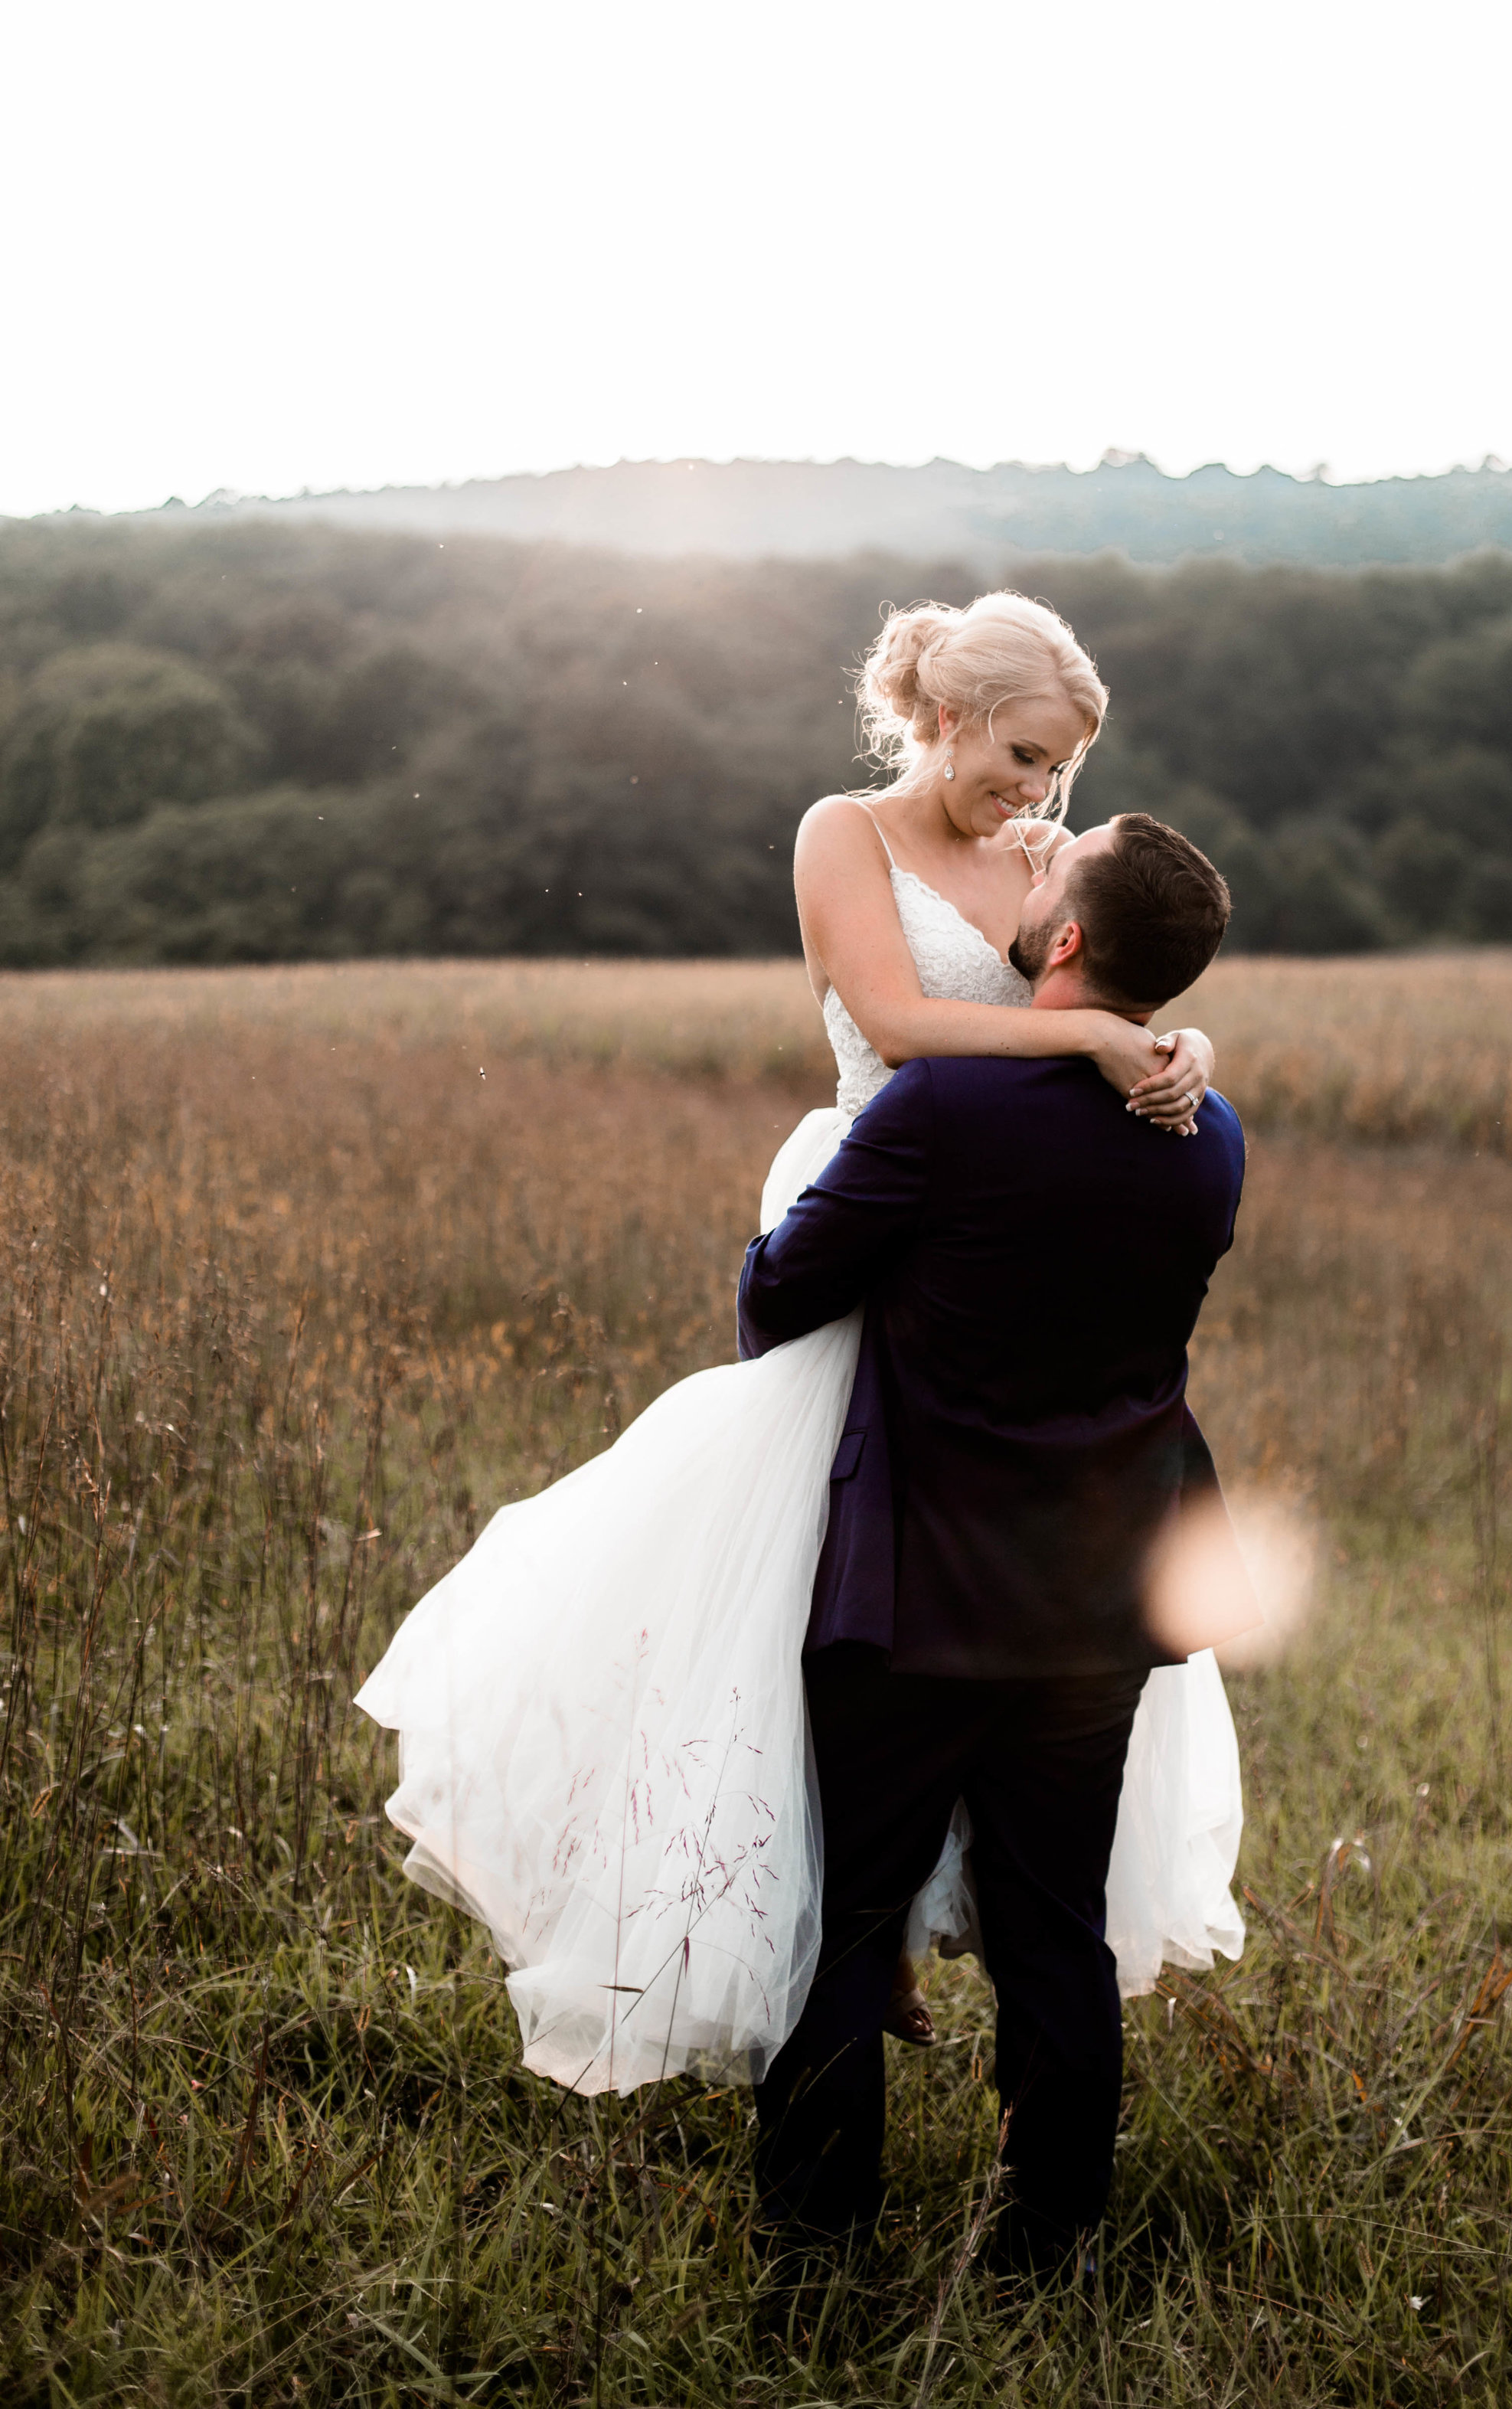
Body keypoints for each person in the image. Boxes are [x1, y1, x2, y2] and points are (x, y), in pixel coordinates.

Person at [354, 590, 1248, 2107]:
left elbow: (1111, 969)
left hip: (985, 1256)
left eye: (1056, 775)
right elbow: (899, 1022)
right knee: (813, 1611)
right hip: (868, 1213)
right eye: (1020, 756)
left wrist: (1173, 1042)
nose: (1034, 797)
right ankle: (827, 1937)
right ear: (947, 717)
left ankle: (901, 1936)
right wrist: (1090, 1044)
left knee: (951, 1614)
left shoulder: (1044, 863)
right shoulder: (845, 833)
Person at [744, 806, 1252, 2273]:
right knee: (1053, 1927)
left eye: (1054, 870)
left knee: (845, 1923)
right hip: (1103, 1596)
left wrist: (778, 1225)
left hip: (913, 1586)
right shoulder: (1210, 1137)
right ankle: (1047, 2246)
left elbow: (785, 1298)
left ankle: (816, 2253)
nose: (1028, 869)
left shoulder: (937, 1109)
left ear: (1070, 940)